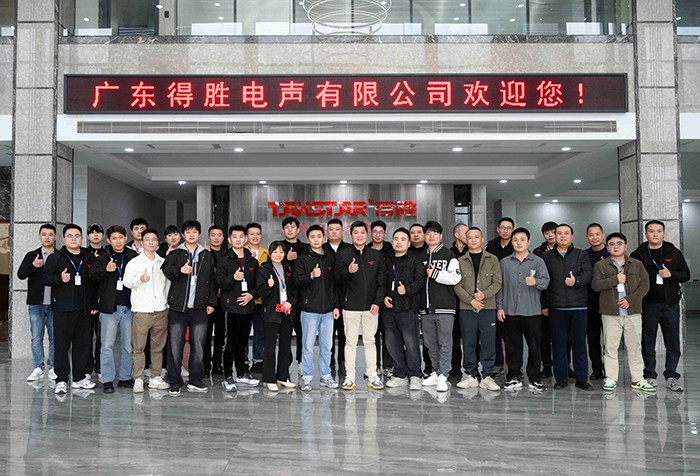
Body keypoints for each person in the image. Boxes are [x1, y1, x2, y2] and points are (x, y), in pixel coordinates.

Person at [630, 220, 690, 392]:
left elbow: (685, 275)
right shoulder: (638, 254)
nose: (655, 234)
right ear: (646, 233)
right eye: (651, 231)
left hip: (669, 304)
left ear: (664, 233)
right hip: (647, 305)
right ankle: (650, 375)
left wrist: (671, 274)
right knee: (648, 341)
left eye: (659, 231)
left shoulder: (673, 252)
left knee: (672, 342)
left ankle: (672, 376)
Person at [591, 232, 654, 393]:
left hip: (633, 312)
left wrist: (630, 300)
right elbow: (596, 285)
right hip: (610, 313)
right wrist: (615, 279)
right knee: (610, 348)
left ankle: (638, 379)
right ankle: (611, 378)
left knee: (635, 347)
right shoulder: (600, 265)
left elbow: (645, 284)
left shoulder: (637, 264)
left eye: (619, 243)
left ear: (626, 246)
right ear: (607, 247)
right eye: (612, 244)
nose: (616, 246)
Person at [162, 220, 217, 395]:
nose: (191, 235)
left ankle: (195, 379)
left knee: (198, 345)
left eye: (194, 232)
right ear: (183, 235)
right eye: (188, 232)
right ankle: (174, 381)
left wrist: (211, 302)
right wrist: (180, 270)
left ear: (199, 234)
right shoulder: (176, 253)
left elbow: (212, 281)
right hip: (178, 307)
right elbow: (166, 270)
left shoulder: (206, 255)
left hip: (199, 307)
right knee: (175, 345)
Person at [42, 224, 97, 394]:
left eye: (77, 235)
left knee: (83, 345)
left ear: (82, 238)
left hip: (84, 309)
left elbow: (95, 283)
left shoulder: (88, 257)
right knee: (61, 345)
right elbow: (46, 278)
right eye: (70, 236)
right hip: (63, 309)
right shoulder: (56, 258)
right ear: (63, 239)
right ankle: (61, 379)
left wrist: (94, 304)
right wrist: (60, 278)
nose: (74, 239)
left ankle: (79, 378)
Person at [497, 227, 550, 392]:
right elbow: (500, 287)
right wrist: (500, 307)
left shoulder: (538, 261)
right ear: (511, 242)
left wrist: (535, 282)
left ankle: (534, 378)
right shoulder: (504, 262)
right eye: (515, 240)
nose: (518, 243)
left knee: (534, 346)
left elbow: (546, 282)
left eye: (522, 240)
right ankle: (513, 376)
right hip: (510, 311)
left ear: (528, 242)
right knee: (512, 346)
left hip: (531, 311)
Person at [335, 221, 386, 391]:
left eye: (362, 232)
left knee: (370, 341)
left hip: (371, 307)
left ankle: (372, 375)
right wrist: (348, 271)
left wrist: (377, 302)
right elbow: (336, 279)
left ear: (367, 234)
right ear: (350, 235)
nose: (359, 235)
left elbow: (382, 282)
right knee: (350, 341)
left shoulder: (376, 255)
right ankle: (350, 376)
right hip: (350, 306)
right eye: (356, 232)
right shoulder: (343, 254)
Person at [542, 224, 594, 390]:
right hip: (556, 307)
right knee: (559, 345)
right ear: (555, 236)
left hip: (579, 307)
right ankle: (561, 379)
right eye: (559, 233)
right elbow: (544, 281)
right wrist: (544, 305)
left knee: (579, 345)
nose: (563, 236)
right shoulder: (547, 257)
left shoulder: (582, 254)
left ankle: (581, 379)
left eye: (566, 233)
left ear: (572, 236)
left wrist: (575, 281)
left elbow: (588, 274)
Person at [88, 225, 138, 393]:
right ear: (109, 240)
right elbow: (92, 276)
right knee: (107, 345)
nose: (118, 241)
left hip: (129, 307)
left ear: (125, 238)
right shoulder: (103, 256)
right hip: (109, 307)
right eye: (114, 238)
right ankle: (108, 379)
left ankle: (125, 377)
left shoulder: (133, 256)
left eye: (121, 238)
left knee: (127, 345)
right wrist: (106, 270)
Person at [453, 227, 502, 391]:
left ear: (482, 239)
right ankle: (470, 375)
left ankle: (487, 376)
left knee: (488, 342)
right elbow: (456, 285)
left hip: (488, 307)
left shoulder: (492, 259)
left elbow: (498, 282)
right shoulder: (459, 261)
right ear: (466, 240)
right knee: (468, 342)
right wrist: (471, 300)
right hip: (467, 308)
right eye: (470, 237)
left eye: (476, 237)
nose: (473, 240)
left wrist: (484, 295)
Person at [123, 228, 170, 393]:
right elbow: (126, 282)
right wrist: (139, 279)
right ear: (142, 243)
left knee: (158, 347)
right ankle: (138, 378)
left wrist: (166, 303)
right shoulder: (135, 262)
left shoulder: (163, 262)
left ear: (158, 242)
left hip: (161, 310)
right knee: (139, 347)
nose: (151, 242)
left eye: (154, 239)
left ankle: (155, 377)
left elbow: (168, 285)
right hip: (142, 310)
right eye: (147, 239)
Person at [295, 225, 340, 391]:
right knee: (307, 345)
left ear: (324, 238)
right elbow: (297, 281)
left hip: (328, 310)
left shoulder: (330, 257)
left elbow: (335, 284)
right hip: (309, 309)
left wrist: (336, 305)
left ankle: (326, 376)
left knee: (327, 346)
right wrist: (311, 275)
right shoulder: (302, 259)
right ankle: (307, 377)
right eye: (312, 237)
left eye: (319, 236)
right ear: (308, 239)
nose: (316, 240)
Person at [418, 221, 462, 392]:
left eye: (435, 233)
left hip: (445, 307)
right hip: (426, 309)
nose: (431, 236)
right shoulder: (420, 257)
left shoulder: (449, 255)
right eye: (428, 233)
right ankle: (436, 372)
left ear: (441, 236)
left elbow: (455, 278)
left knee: (445, 343)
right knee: (430, 343)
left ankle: (444, 374)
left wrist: (436, 273)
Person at [217, 225, 260, 391]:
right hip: (231, 307)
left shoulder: (252, 261)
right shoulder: (224, 260)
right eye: (234, 237)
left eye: (241, 236)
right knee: (230, 343)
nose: (238, 239)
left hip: (247, 307)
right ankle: (228, 376)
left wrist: (252, 295)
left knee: (243, 342)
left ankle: (241, 374)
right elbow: (219, 282)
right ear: (229, 240)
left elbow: (258, 285)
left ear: (246, 239)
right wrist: (233, 277)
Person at [382, 228, 426, 391]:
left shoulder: (415, 260)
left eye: (403, 239)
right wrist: (383, 297)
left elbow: (421, 280)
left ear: (408, 243)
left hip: (408, 308)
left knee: (411, 343)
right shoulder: (386, 260)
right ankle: (400, 374)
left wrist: (407, 289)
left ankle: (415, 375)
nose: (399, 242)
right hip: (389, 309)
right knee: (392, 343)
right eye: (396, 239)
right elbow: (381, 281)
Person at [18, 224, 57, 382]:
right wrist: (32, 266)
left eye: (50, 234)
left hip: (55, 304)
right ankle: (38, 367)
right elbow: (21, 274)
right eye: (44, 234)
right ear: (39, 236)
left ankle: (53, 367)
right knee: (36, 337)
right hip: (36, 304)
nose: (47, 237)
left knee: (55, 337)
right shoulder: (31, 255)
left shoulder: (59, 256)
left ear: (55, 237)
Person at [257, 241, 297, 391]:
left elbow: (296, 290)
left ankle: (282, 376)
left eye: (281, 252)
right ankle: (269, 378)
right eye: (275, 252)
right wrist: (269, 286)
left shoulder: (289, 268)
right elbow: (260, 293)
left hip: (286, 312)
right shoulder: (264, 270)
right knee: (270, 346)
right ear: (270, 253)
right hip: (271, 313)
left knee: (285, 346)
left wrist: (290, 302)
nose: (278, 255)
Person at [486, 217, 515, 377]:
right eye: (502, 227)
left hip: (511, 293)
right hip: (494, 293)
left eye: (508, 228)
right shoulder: (491, 246)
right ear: (498, 229)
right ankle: (497, 364)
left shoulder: (516, 245)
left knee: (511, 334)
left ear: (513, 229)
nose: (505, 230)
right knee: (495, 334)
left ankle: (514, 366)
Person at [324, 218, 351, 374]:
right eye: (331, 229)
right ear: (327, 232)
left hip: (345, 295)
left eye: (337, 229)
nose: (334, 232)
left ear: (342, 231)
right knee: (328, 334)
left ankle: (343, 362)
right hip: (327, 296)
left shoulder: (349, 249)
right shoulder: (322, 249)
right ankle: (330, 363)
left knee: (344, 333)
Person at [281, 216, 308, 371]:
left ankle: (301, 361)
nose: (290, 230)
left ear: (298, 230)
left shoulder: (305, 248)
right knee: (285, 332)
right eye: (287, 227)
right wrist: (286, 258)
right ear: (283, 230)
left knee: (301, 332)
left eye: (293, 227)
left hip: (302, 296)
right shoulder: (279, 246)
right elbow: (273, 264)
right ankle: (286, 362)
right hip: (284, 296)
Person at [585, 223, 610, 381]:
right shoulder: (584, 255)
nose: (594, 237)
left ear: (603, 235)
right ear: (587, 237)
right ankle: (597, 369)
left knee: (609, 339)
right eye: (591, 235)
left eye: (597, 234)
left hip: (609, 302)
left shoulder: (611, 252)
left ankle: (609, 370)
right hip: (590, 303)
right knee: (593, 338)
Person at [533, 221, 557, 378]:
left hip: (561, 299)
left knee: (563, 337)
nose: (550, 235)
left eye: (553, 232)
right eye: (547, 233)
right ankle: (547, 365)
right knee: (544, 337)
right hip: (544, 298)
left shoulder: (568, 250)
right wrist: (543, 304)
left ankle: (564, 365)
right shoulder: (538, 252)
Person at [245, 222, 269, 375]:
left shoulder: (267, 253)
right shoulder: (241, 252)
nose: (255, 236)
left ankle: (258, 361)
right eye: (252, 234)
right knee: (244, 332)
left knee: (260, 332)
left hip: (262, 300)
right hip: (245, 299)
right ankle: (243, 362)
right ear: (246, 236)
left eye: (258, 234)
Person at [369, 220, 392, 377]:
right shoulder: (366, 249)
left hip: (388, 298)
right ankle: (375, 366)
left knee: (389, 334)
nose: (377, 235)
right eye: (375, 232)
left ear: (385, 233)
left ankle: (388, 366)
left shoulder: (391, 249)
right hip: (372, 299)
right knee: (373, 335)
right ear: (371, 233)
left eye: (380, 232)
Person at [204, 225, 227, 377]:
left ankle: (217, 364)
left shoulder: (227, 255)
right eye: (213, 235)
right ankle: (205, 365)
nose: (216, 238)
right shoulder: (204, 254)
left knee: (220, 334)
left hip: (223, 301)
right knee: (205, 335)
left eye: (219, 235)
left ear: (223, 238)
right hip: (207, 300)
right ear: (208, 237)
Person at [449, 222, 468, 379]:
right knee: (454, 337)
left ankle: (472, 369)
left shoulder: (473, 252)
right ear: (456, 234)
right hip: (453, 300)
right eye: (465, 233)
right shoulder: (449, 254)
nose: (469, 236)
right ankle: (455, 367)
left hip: (470, 300)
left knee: (470, 337)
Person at [85, 223, 104, 378]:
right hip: (87, 302)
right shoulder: (84, 254)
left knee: (102, 338)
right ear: (88, 236)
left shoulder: (107, 253)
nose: (95, 235)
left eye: (98, 232)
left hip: (103, 301)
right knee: (85, 337)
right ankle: (87, 368)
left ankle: (100, 367)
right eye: (92, 232)